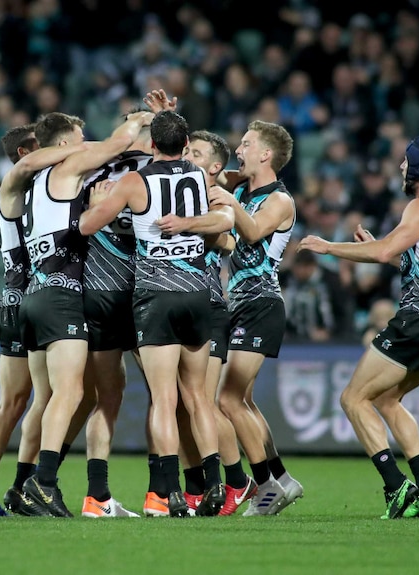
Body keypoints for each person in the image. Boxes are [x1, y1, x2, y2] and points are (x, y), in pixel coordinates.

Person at [299, 133, 419, 519]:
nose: (401, 167)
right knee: (387, 399)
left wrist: (330, 247)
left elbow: (382, 253)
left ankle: (396, 486)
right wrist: (385, 245)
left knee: (352, 398)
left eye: (407, 161)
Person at [80, 110, 232, 517]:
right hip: (199, 292)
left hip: (155, 295)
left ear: (150, 146)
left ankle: (171, 492)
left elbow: (88, 226)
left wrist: (97, 205)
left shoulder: (135, 181)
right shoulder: (201, 178)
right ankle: (214, 484)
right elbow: (226, 220)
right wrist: (190, 223)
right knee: (198, 397)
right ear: (186, 147)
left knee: (164, 399)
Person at [4, 110, 153, 517]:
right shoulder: (67, 166)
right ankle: (43, 484)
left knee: (61, 395)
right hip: (61, 292)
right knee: (69, 393)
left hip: (35, 293)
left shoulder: (34, 182)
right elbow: (118, 146)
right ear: (65, 143)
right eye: (80, 135)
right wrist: (139, 120)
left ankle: (29, 485)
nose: (86, 141)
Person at [0, 124, 82, 517]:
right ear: (25, 153)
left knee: (27, 402)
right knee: (25, 401)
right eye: (42, 149)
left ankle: (8, 490)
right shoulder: (14, 186)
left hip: (24, 297)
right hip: (27, 297)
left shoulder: (37, 192)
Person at [209, 120, 304, 516]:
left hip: (262, 304)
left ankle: (264, 485)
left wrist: (228, 201)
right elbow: (232, 239)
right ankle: (282, 477)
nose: (238, 149)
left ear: (266, 155)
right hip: (241, 304)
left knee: (228, 399)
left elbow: (251, 234)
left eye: (247, 144)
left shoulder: (279, 200)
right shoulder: (244, 191)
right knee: (242, 399)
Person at [158, 128, 256, 516]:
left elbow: (230, 240)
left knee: (205, 401)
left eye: (195, 153)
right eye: (186, 149)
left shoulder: (215, 196)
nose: (188, 156)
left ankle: (236, 480)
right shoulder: (180, 188)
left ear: (215, 167)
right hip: (179, 302)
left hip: (211, 307)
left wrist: (188, 223)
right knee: (180, 404)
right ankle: (196, 485)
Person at [77, 112, 154, 519]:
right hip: (143, 294)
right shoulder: (156, 174)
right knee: (164, 396)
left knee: (105, 401)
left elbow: (79, 227)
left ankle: (97, 495)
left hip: (97, 292)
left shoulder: (91, 171)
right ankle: (161, 493)